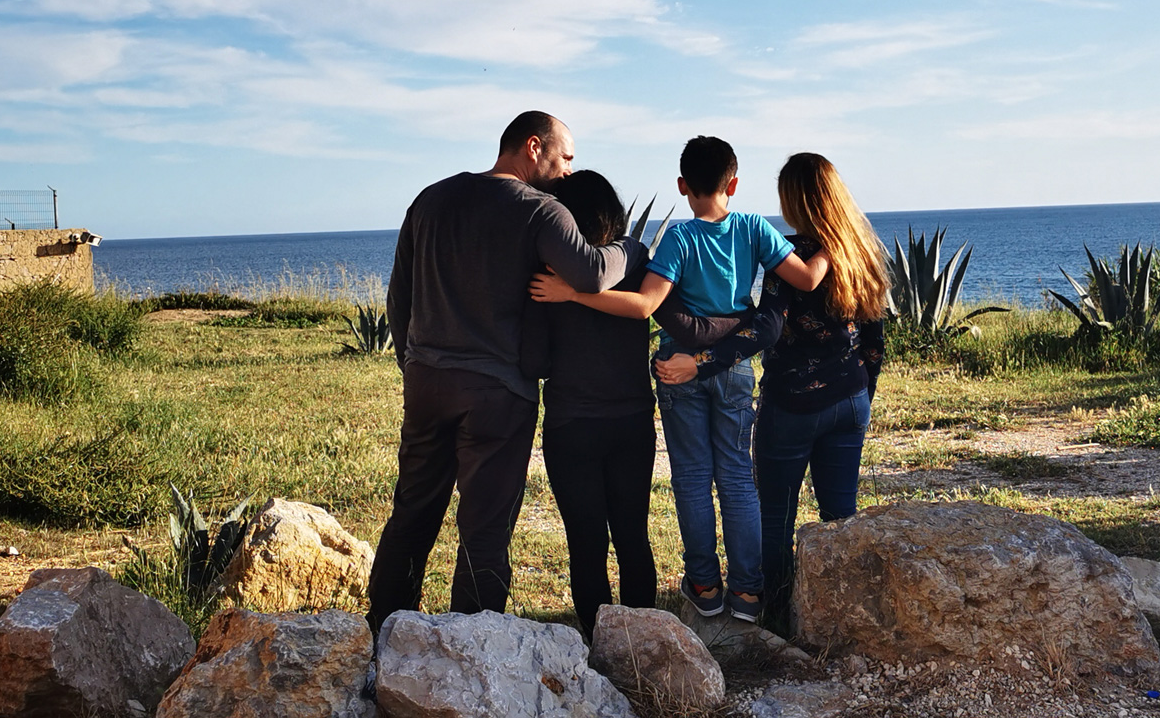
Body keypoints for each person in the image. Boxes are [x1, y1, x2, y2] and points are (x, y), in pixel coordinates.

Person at [530, 136, 827, 623]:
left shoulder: (678, 239)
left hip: (677, 367)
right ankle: (747, 593)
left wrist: (572, 294)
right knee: (737, 477)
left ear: (682, 185)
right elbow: (807, 279)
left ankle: (705, 587)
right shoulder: (754, 228)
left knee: (691, 477)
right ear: (734, 183)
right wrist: (831, 247)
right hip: (733, 366)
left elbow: (647, 305)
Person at [365, 111, 628, 633]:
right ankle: (472, 646)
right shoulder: (541, 211)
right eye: (565, 157)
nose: (569, 170)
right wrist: (632, 249)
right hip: (498, 395)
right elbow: (592, 274)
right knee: (484, 528)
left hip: (427, 382)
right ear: (534, 146)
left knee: (412, 511)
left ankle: (382, 633)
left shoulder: (431, 199)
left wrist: (413, 365)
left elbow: (400, 299)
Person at [654, 152, 888, 623]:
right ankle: (842, 616)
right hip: (851, 399)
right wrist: (861, 395)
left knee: (775, 516)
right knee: (841, 515)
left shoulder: (793, 253)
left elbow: (767, 328)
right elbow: (875, 339)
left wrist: (701, 363)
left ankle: (774, 615)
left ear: (793, 200)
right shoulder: (858, 250)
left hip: (793, 405)